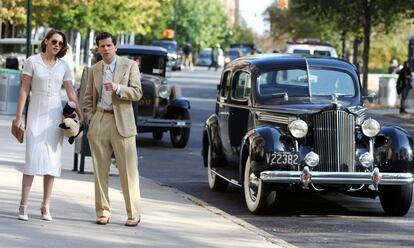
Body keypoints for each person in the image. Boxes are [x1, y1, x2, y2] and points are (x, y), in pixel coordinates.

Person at [14, 29, 83, 221]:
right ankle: (24, 205)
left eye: (60, 44)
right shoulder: (32, 61)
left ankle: (46, 206)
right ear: (45, 41)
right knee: (32, 159)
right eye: (54, 41)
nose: (57, 45)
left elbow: (70, 93)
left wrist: (80, 115)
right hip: (35, 114)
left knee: (52, 163)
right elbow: (24, 90)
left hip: (54, 117)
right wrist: (19, 116)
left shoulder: (64, 66)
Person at [83, 32, 142, 226]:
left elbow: (137, 93)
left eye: (109, 45)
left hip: (122, 123)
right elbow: (88, 97)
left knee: (128, 171)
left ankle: (133, 214)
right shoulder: (94, 69)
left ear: (115, 47)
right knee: (100, 172)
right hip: (100, 119)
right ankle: (102, 212)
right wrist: (91, 119)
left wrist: (118, 88)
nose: (106, 49)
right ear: (98, 49)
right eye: (102, 46)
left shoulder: (130, 65)